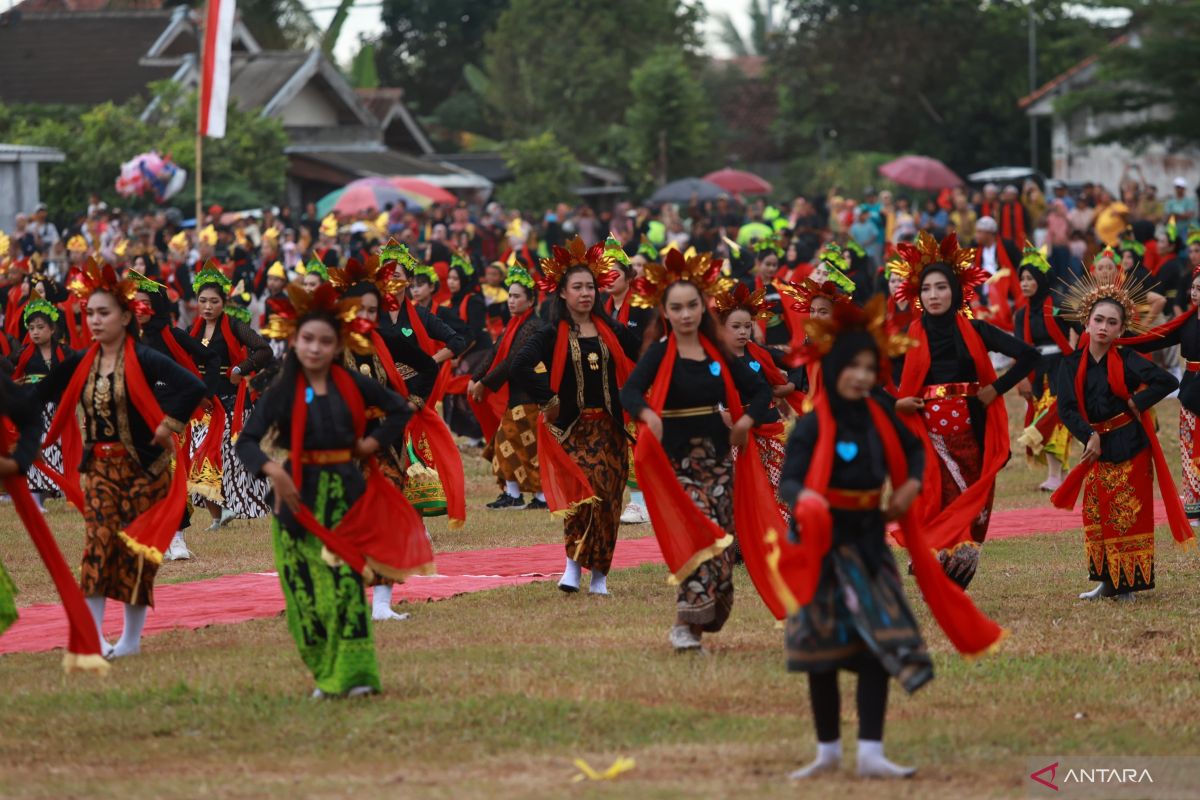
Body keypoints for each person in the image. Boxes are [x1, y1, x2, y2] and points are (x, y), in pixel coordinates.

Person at [777, 297, 1007, 780]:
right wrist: (808, 502)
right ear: (835, 367)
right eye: (852, 367)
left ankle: (871, 751)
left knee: (878, 646)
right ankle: (826, 750)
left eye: (868, 367)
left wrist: (905, 488)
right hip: (821, 546)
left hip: (868, 545)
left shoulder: (880, 416)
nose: (861, 376)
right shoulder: (814, 423)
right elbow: (790, 482)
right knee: (821, 651)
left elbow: (914, 452)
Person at [236, 283, 430, 697]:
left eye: (326, 341)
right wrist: (273, 469)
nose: (315, 348)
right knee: (306, 598)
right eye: (307, 339)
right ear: (294, 339)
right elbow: (246, 442)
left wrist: (371, 444)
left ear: (338, 343)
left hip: (345, 498)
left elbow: (399, 408)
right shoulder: (282, 389)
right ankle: (326, 673)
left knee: (344, 591)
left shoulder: (351, 383)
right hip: (296, 503)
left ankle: (356, 676)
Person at [39, 261, 208, 658]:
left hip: (142, 470)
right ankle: (95, 638)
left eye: (104, 313)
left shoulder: (145, 357)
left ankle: (130, 640)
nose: (94, 321)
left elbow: (192, 386)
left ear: (126, 316)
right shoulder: (82, 360)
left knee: (136, 553)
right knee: (97, 545)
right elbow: (37, 394)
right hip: (99, 469)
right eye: (90, 314)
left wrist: (168, 425)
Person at [620, 250, 772, 652]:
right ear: (665, 312)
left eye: (692, 305)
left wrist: (745, 422)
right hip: (676, 465)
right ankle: (684, 625)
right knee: (699, 540)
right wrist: (648, 414)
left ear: (703, 307)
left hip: (719, 463)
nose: (685, 314)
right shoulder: (658, 352)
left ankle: (703, 619)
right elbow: (630, 391)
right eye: (676, 308)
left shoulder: (718, 353)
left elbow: (760, 390)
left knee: (722, 548)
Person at [890, 233, 1039, 587]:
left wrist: (996, 389)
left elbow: (1029, 356)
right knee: (936, 503)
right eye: (927, 289)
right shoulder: (907, 337)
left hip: (973, 431)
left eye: (942, 287)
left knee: (974, 506)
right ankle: (935, 574)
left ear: (955, 291)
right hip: (927, 436)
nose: (934, 295)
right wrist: (895, 402)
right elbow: (870, 377)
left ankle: (954, 576)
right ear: (918, 294)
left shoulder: (976, 329)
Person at [510, 236, 641, 596]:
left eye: (590, 287)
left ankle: (599, 575)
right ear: (563, 293)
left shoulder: (610, 329)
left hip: (610, 428)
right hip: (572, 429)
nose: (585, 293)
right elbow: (519, 364)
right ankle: (572, 565)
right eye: (577, 287)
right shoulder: (551, 332)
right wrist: (547, 397)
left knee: (609, 500)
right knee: (583, 497)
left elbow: (644, 354)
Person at [1053, 272, 1189, 600]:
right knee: (1097, 516)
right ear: (1086, 322)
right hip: (1096, 447)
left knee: (1126, 515)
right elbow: (1067, 409)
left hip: (1130, 444)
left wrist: (1136, 402)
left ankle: (1126, 584)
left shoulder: (1127, 359)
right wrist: (1089, 435)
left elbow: (1167, 382)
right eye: (1098, 319)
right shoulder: (1070, 365)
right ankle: (1106, 582)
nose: (1103, 327)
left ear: (1121, 328)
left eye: (1111, 322)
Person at [187, 261, 274, 527]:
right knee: (196, 457)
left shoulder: (235, 326)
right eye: (203, 301)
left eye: (214, 301)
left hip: (231, 405)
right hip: (204, 406)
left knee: (229, 460)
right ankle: (219, 514)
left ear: (224, 302)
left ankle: (249, 502)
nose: (208, 306)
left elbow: (263, 349)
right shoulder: (195, 330)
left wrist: (241, 367)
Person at [715, 283, 802, 526]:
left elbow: (797, 363)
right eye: (736, 327)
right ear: (722, 328)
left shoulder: (761, 353)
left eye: (747, 326)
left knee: (778, 483)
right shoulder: (716, 359)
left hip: (771, 429)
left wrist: (790, 387)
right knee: (742, 487)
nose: (743, 332)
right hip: (737, 434)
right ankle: (745, 540)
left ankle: (786, 533)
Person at [1122, 267, 1200, 524]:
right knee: (1190, 449)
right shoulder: (1186, 322)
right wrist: (1123, 337)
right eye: (1195, 288)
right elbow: (1155, 339)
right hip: (1191, 389)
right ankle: (1194, 504)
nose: (1196, 293)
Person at [469, 265, 548, 511]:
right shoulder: (514, 324)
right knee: (508, 445)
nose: (511, 301)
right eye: (510, 296)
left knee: (524, 447)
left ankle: (540, 497)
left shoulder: (533, 326)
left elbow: (512, 360)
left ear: (531, 300)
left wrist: (484, 384)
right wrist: (475, 376)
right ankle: (515, 495)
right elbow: (495, 352)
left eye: (517, 296)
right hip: (516, 395)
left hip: (531, 394)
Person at [1013, 245, 1077, 492]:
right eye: (1022, 279)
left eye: (1030, 278)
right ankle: (1058, 475)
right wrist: (1021, 378)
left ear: (1040, 279)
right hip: (1037, 371)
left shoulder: (1059, 305)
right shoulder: (1021, 315)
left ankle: (1055, 475)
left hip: (1061, 368)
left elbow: (1082, 330)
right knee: (1048, 417)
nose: (1025, 283)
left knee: (1056, 418)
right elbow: (1020, 348)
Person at [8, 298, 71, 512]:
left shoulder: (63, 352)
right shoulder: (23, 353)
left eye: (40, 327)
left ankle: (45, 495)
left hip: (56, 409)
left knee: (55, 451)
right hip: (32, 409)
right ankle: (34, 498)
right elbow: (7, 371)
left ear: (52, 329)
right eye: (31, 328)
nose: (35, 332)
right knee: (35, 446)